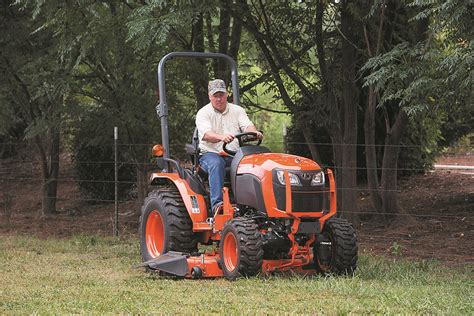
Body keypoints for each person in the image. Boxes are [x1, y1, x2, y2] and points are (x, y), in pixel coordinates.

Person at [196, 79, 263, 215]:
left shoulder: (237, 110)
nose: (219, 99)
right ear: (210, 96)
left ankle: (251, 204)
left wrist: (255, 132)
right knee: (216, 164)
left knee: (253, 165)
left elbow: (247, 125)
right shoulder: (203, 113)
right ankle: (218, 205)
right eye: (215, 96)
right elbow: (206, 134)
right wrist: (221, 137)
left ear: (227, 95)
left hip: (234, 154)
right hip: (210, 154)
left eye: (221, 95)